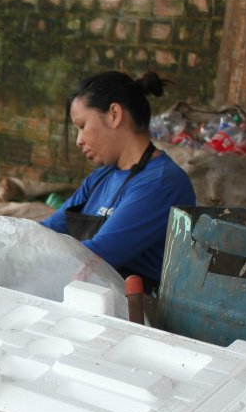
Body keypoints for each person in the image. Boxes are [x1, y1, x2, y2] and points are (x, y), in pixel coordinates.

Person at [42, 70, 196, 292]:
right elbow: (50, 230)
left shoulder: (162, 183)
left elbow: (97, 256)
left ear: (114, 114)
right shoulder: (100, 177)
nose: (79, 140)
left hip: (136, 313)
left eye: (82, 125)